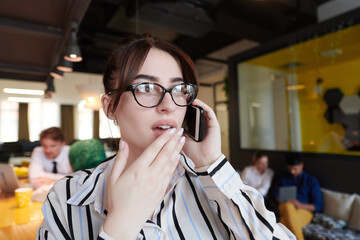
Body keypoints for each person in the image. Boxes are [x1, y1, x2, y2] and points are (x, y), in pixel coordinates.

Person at [36, 34, 294, 239]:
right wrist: (119, 227)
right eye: (147, 87)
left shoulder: (212, 183)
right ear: (110, 106)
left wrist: (211, 162)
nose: (169, 104)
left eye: (179, 89)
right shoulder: (66, 197)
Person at [275, 154, 323, 240]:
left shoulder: (311, 180)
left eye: (295, 169)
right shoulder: (282, 177)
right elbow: (276, 196)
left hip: (304, 210)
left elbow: (318, 206)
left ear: (301, 165)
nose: (292, 172)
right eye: (290, 169)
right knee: (288, 206)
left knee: (284, 222)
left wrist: (299, 205)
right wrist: (284, 200)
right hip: (284, 206)